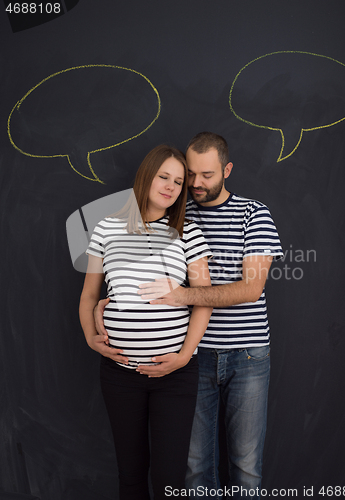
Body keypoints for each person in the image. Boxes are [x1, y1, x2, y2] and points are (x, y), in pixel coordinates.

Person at [95, 133, 283, 499]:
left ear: (227, 170)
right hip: (191, 357)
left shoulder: (253, 213)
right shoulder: (176, 211)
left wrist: (183, 295)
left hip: (247, 354)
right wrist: (111, 302)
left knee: (245, 465)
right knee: (195, 467)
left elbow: (251, 289)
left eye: (207, 175)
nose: (196, 184)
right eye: (190, 175)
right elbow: (132, 261)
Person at [79, 144, 212, 500]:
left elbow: (204, 300)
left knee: (170, 477)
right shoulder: (106, 229)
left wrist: (184, 356)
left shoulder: (189, 232)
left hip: (176, 376)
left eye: (179, 182)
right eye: (163, 176)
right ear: (146, 176)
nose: (170, 186)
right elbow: (90, 295)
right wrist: (91, 337)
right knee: (131, 471)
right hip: (120, 376)